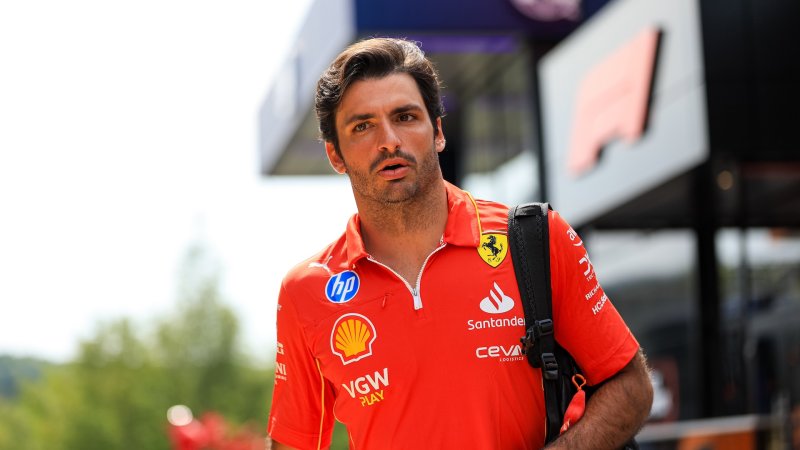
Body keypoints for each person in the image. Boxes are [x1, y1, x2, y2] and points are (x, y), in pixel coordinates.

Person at [267, 37, 653, 450]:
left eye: (405, 116)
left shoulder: (535, 240)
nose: (389, 140)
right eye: (362, 126)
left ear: (436, 131)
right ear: (335, 155)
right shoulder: (305, 292)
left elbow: (630, 386)